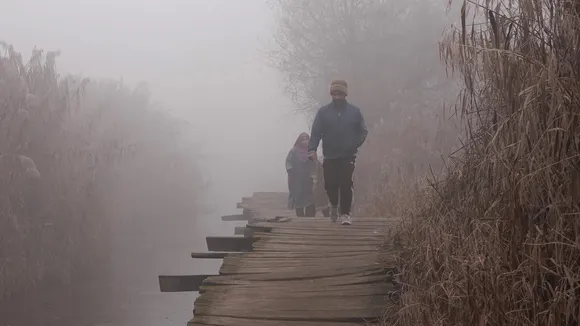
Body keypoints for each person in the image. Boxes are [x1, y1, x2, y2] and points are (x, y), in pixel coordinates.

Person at [308, 80, 368, 225]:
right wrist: (312, 149)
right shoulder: (323, 112)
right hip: (330, 154)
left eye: (339, 93)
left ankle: (346, 214)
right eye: (334, 93)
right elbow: (316, 132)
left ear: (345, 94)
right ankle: (333, 205)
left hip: (348, 155)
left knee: (346, 184)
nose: (337, 96)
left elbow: (363, 131)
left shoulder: (354, 111)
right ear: (331, 94)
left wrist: (354, 144)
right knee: (330, 185)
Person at [286, 132, 316, 217]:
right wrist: (290, 169)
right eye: (303, 139)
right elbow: (288, 162)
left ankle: (310, 216)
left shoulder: (311, 151)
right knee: (298, 197)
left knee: (310, 198)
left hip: (309, 178)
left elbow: (316, 163)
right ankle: (300, 216)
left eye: (307, 139)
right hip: (297, 179)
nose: (305, 141)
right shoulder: (293, 151)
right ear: (299, 141)